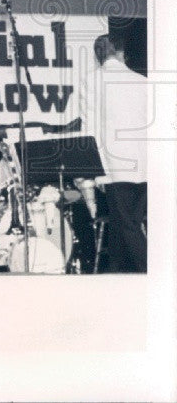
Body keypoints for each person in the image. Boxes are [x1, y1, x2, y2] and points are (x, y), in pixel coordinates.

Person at [82, 33, 147, 272]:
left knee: (127, 226)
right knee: (126, 225)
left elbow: (89, 130)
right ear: (120, 53)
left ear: (97, 56)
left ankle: (151, 270)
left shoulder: (92, 81)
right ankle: (117, 272)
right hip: (144, 165)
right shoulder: (142, 81)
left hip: (114, 166)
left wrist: (94, 172)